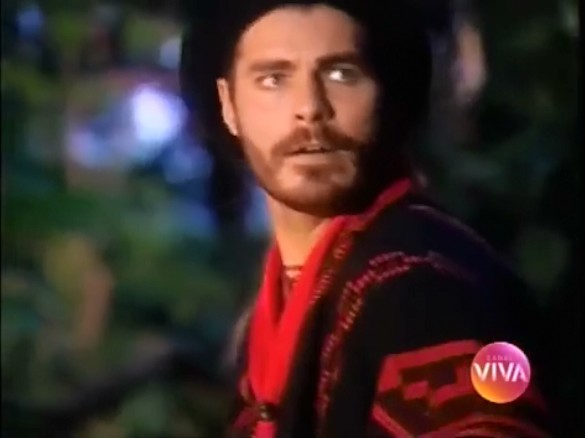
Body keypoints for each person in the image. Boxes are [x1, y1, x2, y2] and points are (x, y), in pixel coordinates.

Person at [180, 0, 552, 436]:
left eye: (341, 74)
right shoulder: (271, 316)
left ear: (386, 94)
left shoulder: (422, 286)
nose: (310, 108)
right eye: (274, 79)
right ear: (228, 105)